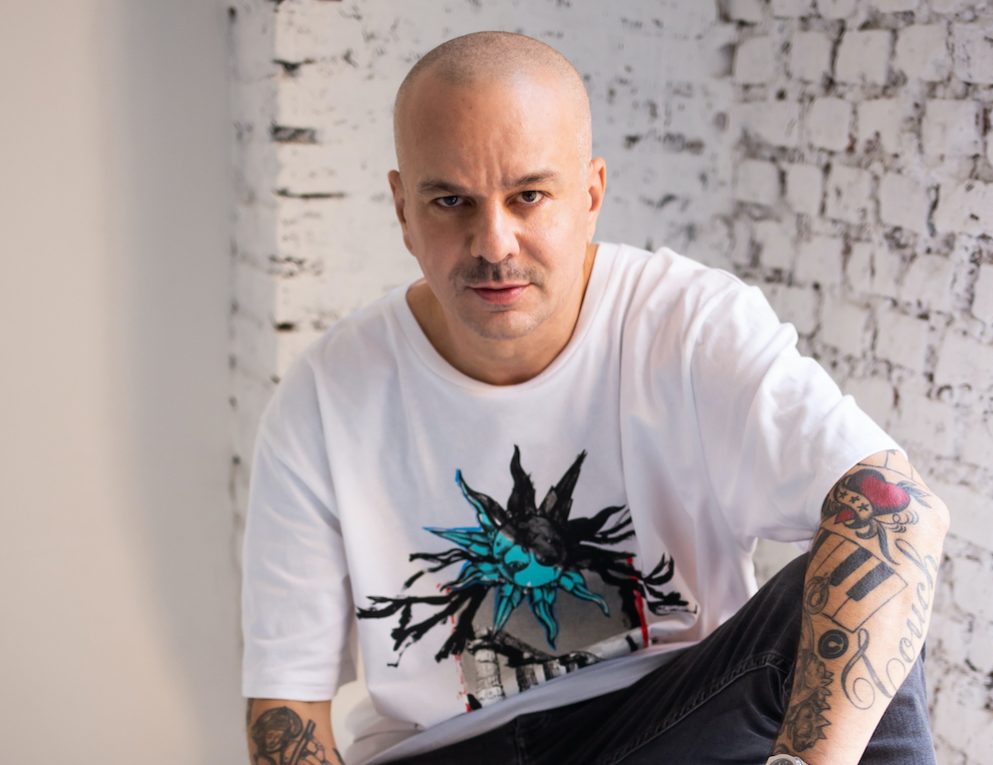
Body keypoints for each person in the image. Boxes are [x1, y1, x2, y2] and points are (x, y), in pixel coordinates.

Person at [241, 31, 950, 765]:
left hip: (665, 725)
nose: (494, 243)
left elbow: (898, 511)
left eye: (528, 196)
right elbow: (285, 710)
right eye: (451, 201)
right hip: (444, 752)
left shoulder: (689, 324)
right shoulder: (323, 398)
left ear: (590, 194)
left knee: (866, 575)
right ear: (402, 209)